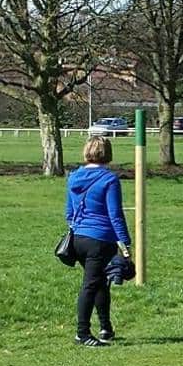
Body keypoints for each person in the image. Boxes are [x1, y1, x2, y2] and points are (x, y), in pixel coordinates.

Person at [64, 136, 132, 347]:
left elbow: (69, 212)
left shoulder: (74, 177)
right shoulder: (109, 179)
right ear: (108, 153)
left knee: (100, 282)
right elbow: (115, 214)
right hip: (100, 239)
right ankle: (82, 333)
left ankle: (106, 328)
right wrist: (125, 241)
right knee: (91, 285)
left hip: (78, 238)